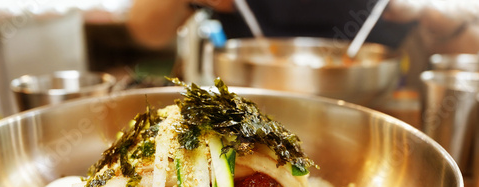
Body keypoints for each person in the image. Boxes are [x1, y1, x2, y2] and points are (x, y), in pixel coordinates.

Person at [127, 0, 479, 54]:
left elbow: (470, 47)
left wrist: (444, 13)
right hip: (243, 121)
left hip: (376, 125)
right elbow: (145, 29)